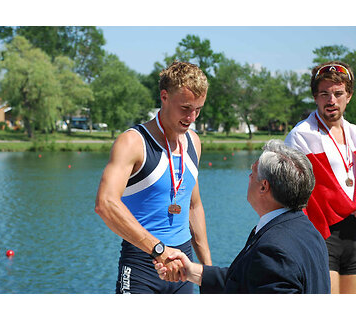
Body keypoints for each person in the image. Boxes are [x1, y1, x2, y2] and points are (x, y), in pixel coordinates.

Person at [95, 61, 212, 294]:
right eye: (186, 108)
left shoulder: (194, 142)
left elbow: (194, 206)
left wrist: (208, 273)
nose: (191, 117)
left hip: (183, 266)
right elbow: (105, 204)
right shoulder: (133, 142)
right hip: (142, 266)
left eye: (198, 109)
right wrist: (158, 249)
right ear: (164, 96)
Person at [154, 140, 330, 293]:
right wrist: (192, 271)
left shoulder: (274, 250)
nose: (249, 176)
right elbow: (248, 281)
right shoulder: (309, 232)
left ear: (264, 187)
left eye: (253, 172)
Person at [285, 61, 356, 294]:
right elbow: (289, 192)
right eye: (324, 94)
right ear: (315, 97)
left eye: (338, 93)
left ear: (349, 96)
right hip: (322, 234)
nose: (331, 100)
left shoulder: (354, 133)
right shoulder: (301, 135)